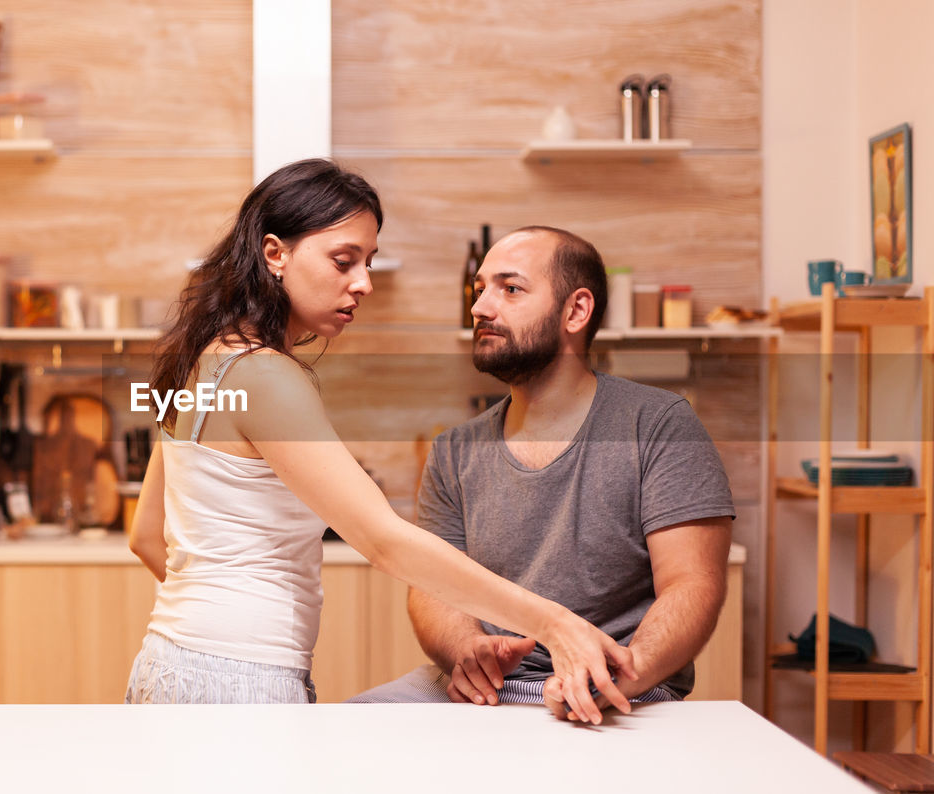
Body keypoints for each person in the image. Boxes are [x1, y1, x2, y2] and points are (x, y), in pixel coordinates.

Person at [124, 161, 636, 721]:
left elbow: (147, 536)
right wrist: (553, 623)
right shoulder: (266, 374)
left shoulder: (202, 363)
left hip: (169, 665)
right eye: (344, 261)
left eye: (367, 262)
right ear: (276, 254)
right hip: (243, 685)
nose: (363, 282)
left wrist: (212, 624)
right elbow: (384, 541)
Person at [350, 226, 735, 716]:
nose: (481, 307)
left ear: (576, 311)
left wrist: (618, 673)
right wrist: (464, 650)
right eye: (480, 289)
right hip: (487, 691)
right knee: (342, 735)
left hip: (623, 689)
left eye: (510, 289)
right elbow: (432, 588)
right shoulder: (453, 450)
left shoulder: (658, 425)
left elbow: (692, 584)